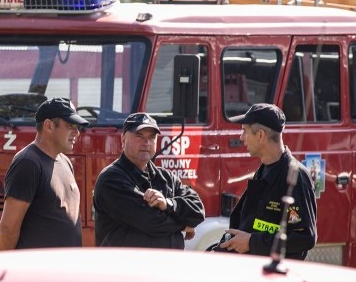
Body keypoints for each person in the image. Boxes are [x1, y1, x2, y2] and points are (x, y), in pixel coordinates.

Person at [215, 103, 317, 260]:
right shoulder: (264, 170)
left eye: (244, 131)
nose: (241, 137)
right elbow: (253, 224)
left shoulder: (296, 176)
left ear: (260, 135)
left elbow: (304, 238)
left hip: (276, 275)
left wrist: (252, 242)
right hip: (254, 267)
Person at [93, 113, 205, 249]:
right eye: (139, 136)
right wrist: (184, 224)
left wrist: (168, 204)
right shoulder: (111, 179)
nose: (146, 143)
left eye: (152, 137)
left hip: (165, 267)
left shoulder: (167, 177)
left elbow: (198, 210)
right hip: (125, 267)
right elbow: (150, 222)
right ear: (123, 139)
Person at [0, 97, 89, 250]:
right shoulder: (28, 163)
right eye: (70, 126)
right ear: (48, 126)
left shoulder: (65, 161)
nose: (77, 133)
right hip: (35, 271)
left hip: (63, 269)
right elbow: (7, 229)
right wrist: (6, 268)